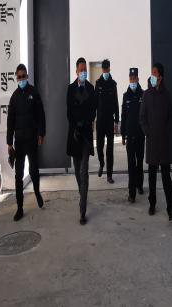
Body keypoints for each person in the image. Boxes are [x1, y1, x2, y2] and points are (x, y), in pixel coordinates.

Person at [140, 62, 172, 221]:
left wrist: (166, 132)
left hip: (163, 143)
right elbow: (142, 117)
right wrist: (147, 132)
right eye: (152, 73)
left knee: (166, 177)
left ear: (160, 77)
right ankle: (152, 204)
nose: (152, 76)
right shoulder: (146, 95)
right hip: (151, 142)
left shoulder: (166, 95)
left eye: (155, 73)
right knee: (151, 177)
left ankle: (171, 209)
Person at [6, 64, 46, 222]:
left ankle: (37, 192)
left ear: (27, 76)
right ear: (16, 78)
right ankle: (20, 208)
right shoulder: (14, 97)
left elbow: (41, 114)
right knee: (19, 175)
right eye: (19, 77)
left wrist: (41, 133)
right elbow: (10, 121)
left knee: (34, 170)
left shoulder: (33, 92)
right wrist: (9, 143)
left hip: (32, 139)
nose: (21, 79)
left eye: (23, 76)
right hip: (19, 142)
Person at [66, 57, 97, 225]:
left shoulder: (91, 89)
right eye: (81, 70)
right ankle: (82, 194)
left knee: (84, 171)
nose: (83, 72)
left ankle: (82, 210)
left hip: (85, 137)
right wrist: (76, 124)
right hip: (74, 135)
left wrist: (85, 122)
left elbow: (93, 110)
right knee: (77, 171)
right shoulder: (70, 89)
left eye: (85, 70)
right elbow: (68, 112)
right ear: (76, 71)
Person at [121, 67, 145, 203]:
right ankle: (132, 193)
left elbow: (146, 115)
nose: (132, 80)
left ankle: (139, 185)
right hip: (130, 135)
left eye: (134, 78)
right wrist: (123, 134)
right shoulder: (126, 96)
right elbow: (123, 116)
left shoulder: (143, 94)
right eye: (131, 78)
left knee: (139, 161)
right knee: (131, 164)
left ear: (138, 79)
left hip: (141, 134)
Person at [95, 58, 119, 184]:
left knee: (110, 150)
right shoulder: (98, 83)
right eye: (103, 69)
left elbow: (116, 102)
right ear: (102, 69)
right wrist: (92, 119)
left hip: (110, 121)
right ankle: (101, 163)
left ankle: (109, 175)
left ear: (109, 69)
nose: (105, 71)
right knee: (99, 147)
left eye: (107, 69)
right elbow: (94, 103)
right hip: (100, 121)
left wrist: (117, 121)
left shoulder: (113, 84)